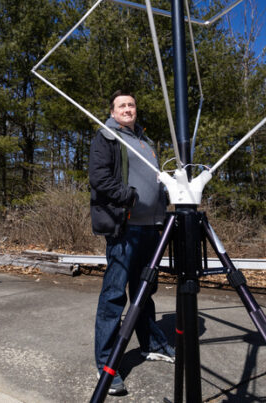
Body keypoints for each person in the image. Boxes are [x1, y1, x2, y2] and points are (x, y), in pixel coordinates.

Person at [89, 89, 174, 396]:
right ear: (113, 112)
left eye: (131, 105)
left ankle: (151, 344)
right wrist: (130, 196)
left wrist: (165, 202)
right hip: (125, 229)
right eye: (122, 105)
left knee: (144, 292)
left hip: (152, 228)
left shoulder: (147, 143)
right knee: (114, 297)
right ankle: (107, 365)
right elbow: (98, 178)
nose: (128, 109)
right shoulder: (107, 138)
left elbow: (155, 182)